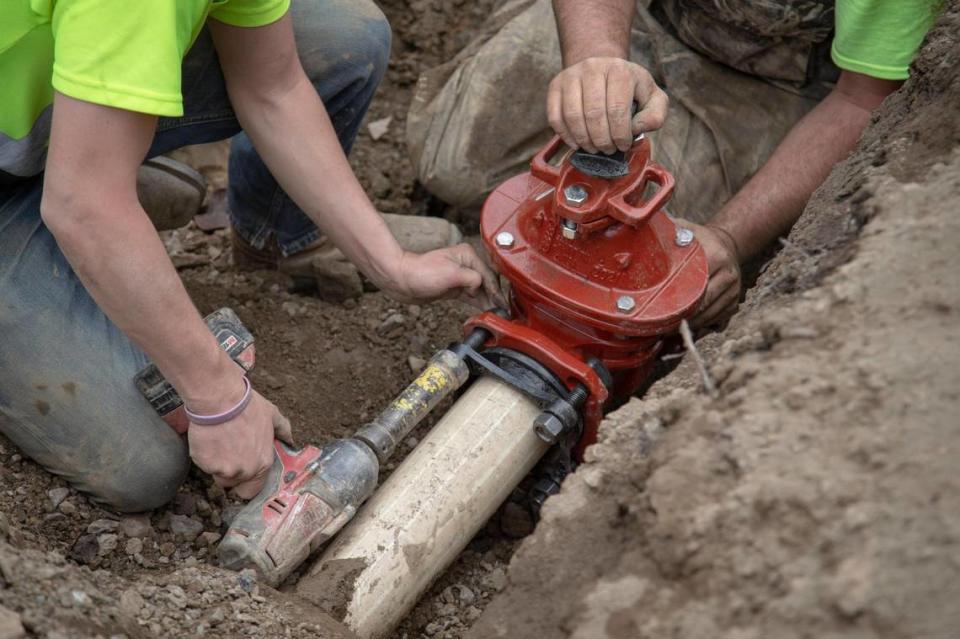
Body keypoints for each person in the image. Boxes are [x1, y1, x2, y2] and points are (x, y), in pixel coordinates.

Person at [0, 0, 501, 512]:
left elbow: (274, 89)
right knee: (141, 467)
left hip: (46, 100)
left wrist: (390, 264)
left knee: (344, 38)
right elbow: (83, 207)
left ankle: (95, 164)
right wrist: (219, 401)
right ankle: (86, 188)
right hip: (64, 177)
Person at [407, 0, 941, 327]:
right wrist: (595, 59)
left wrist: (729, 238)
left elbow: (863, 98)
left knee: (658, 269)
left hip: (772, 85)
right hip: (641, 18)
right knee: (453, 161)